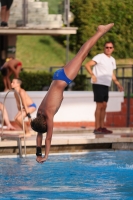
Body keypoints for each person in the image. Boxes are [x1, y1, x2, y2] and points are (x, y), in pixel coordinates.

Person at [30, 23, 114, 163]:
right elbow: (39, 134)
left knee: (83, 53)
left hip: (64, 79)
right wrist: (37, 153)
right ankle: (99, 32)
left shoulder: (48, 115)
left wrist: (46, 156)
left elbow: (48, 138)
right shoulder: (40, 113)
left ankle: (100, 31)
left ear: (44, 123)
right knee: (81, 54)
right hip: (57, 77)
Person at [85, 41, 124, 134]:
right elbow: (87, 65)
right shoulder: (100, 57)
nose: (108, 49)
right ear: (104, 48)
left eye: (110, 47)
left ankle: (102, 127)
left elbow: (111, 73)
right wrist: (92, 75)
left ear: (113, 49)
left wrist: (118, 84)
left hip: (106, 84)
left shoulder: (112, 60)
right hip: (98, 83)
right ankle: (97, 128)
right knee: (99, 106)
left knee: (104, 105)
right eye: (107, 47)